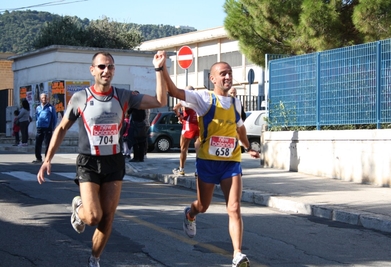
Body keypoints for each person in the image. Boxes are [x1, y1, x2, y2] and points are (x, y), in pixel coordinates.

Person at [37, 51, 167, 267]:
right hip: (88, 162)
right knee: (93, 217)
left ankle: (94, 259)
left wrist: (159, 69)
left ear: (114, 70)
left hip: (114, 161)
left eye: (110, 67)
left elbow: (160, 100)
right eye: (101, 67)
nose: (106, 70)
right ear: (93, 70)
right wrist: (47, 158)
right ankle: (79, 209)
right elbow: (61, 128)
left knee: (107, 217)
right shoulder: (80, 98)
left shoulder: (124, 96)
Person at [161, 60, 259, 267]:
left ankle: (237, 254)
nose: (227, 77)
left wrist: (247, 146)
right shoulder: (204, 99)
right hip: (207, 162)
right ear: (212, 78)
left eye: (230, 73)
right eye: (223, 73)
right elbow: (174, 91)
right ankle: (190, 213)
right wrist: (162, 69)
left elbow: (240, 128)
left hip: (231, 163)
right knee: (203, 206)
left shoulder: (235, 103)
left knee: (234, 208)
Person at [172, 85, 199, 176]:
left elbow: (175, 108)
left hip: (187, 125)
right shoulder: (198, 100)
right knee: (198, 149)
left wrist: (179, 116)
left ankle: (181, 169)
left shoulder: (185, 101)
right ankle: (197, 170)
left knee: (183, 148)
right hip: (197, 124)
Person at [33, 93, 57, 163]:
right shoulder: (38, 107)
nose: (44, 99)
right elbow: (37, 116)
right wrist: (37, 124)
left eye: (45, 98)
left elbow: (54, 118)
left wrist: (53, 127)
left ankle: (47, 159)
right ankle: (38, 158)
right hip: (40, 127)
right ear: (40, 99)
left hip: (48, 128)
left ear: (47, 99)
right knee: (38, 143)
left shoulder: (50, 107)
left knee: (48, 144)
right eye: (43, 98)